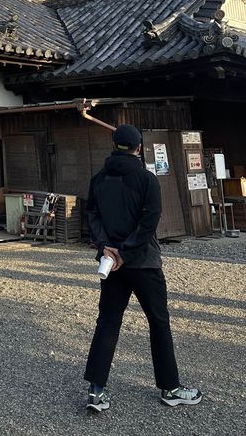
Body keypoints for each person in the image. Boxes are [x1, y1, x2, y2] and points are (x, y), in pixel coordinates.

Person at [83, 123, 202, 412]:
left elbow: (92, 216)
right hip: (144, 262)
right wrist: (128, 250)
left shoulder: (98, 179)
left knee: (108, 322)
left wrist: (105, 247)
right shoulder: (146, 179)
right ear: (138, 148)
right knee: (158, 322)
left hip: (111, 263)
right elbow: (150, 221)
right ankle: (170, 388)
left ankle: (97, 391)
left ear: (114, 144)